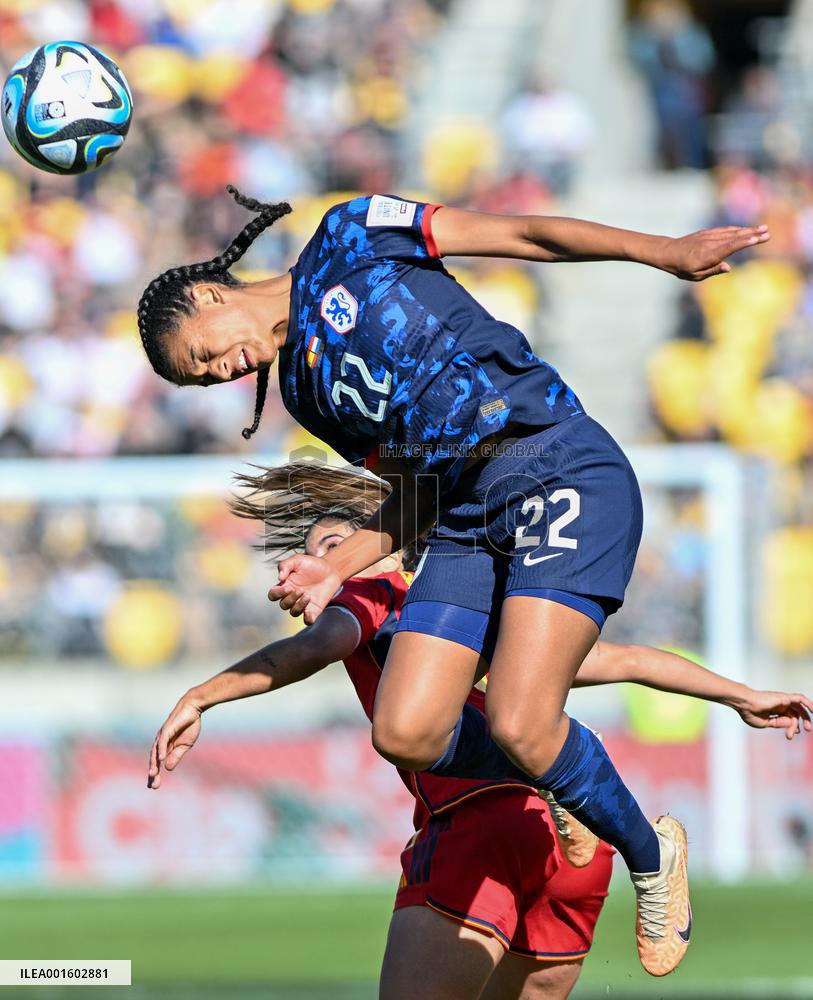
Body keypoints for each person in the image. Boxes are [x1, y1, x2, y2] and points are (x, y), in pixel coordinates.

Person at [136, 185, 770, 974]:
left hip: (553, 462)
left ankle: (648, 855)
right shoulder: (306, 393)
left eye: (203, 355)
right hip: (467, 516)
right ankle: (564, 770)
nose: (221, 372)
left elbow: (522, 232)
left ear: (206, 293)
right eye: (204, 382)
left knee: (517, 719)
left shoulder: (352, 232)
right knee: (405, 731)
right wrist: (334, 565)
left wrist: (663, 252)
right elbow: (417, 490)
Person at [147, 462, 812, 1000]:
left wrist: (203, 696)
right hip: (572, 853)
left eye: (332, 547)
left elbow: (313, 647)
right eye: (310, 550)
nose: (317, 561)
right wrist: (742, 695)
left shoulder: (372, 597)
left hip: (476, 826)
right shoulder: (470, 615)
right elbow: (628, 660)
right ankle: (564, 787)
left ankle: (533, 775)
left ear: (377, 551)